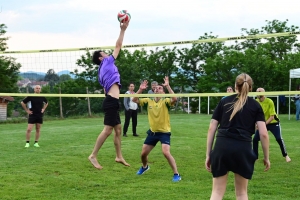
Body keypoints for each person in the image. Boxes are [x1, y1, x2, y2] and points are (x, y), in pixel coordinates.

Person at [205, 73, 270, 200]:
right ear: (250, 88)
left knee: (217, 193)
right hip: (243, 148)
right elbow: (263, 134)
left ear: (235, 86)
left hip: (222, 147)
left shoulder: (224, 101)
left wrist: (209, 154)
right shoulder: (256, 106)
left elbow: (212, 127)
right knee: (241, 193)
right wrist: (266, 157)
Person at [88, 21, 130, 170]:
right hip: (111, 101)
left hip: (111, 100)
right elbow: (118, 46)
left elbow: (106, 89)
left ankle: (119, 156)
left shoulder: (100, 71)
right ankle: (93, 155)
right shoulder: (106, 62)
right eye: (104, 53)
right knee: (108, 130)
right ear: (101, 58)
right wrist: (123, 30)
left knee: (118, 130)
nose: (107, 54)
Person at [132, 77, 181, 182]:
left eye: (160, 88)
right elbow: (134, 100)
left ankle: (176, 174)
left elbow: (175, 99)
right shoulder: (149, 101)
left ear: (163, 92)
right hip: (153, 132)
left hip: (164, 132)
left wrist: (167, 86)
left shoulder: (166, 101)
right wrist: (140, 89)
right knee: (143, 154)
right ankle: (145, 167)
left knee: (166, 152)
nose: (157, 89)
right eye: (156, 88)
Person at [253, 87, 291, 163]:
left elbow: (272, 117)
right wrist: (256, 124)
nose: (258, 93)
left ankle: (286, 155)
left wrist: (263, 124)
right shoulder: (256, 102)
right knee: (255, 139)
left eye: (260, 92)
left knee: (279, 138)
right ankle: (255, 157)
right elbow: (254, 115)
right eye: (257, 92)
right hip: (263, 123)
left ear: (264, 93)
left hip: (273, 123)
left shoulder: (269, 101)